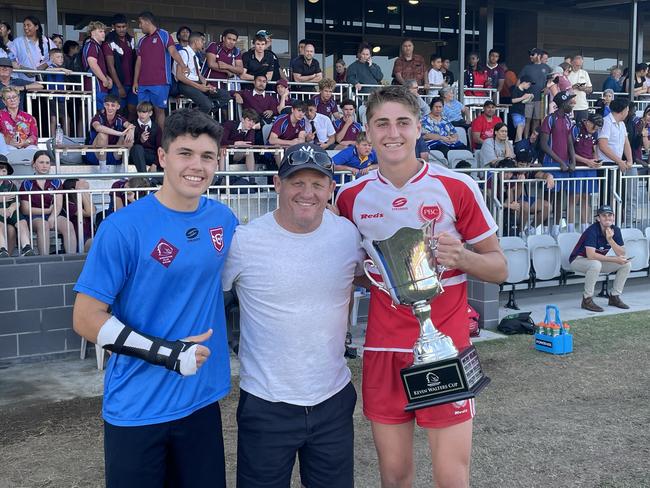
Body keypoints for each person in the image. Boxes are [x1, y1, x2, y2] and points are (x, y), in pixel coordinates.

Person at [335, 84, 507, 488]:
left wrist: (461, 258)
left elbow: (499, 267)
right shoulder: (350, 198)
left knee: (450, 476)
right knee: (394, 477)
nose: (392, 132)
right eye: (382, 124)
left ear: (418, 129)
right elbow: (355, 271)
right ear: (368, 131)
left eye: (402, 122)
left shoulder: (456, 186)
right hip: (383, 349)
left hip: (443, 347)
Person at [72, 109, 237, 487]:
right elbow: (85, 317)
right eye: (185, 153)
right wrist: (168, 353)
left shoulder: (224, 220)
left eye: (207, 156)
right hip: (138, 406)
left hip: (200, 401)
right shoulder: (123, 227)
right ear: (162, 157)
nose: (197, 166)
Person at [222, 143, 363, 488]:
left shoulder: (347, 234)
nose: (307, 193)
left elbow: (364, 277)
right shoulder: (244, 241)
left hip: (333, 400)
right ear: (277, 183)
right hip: (267, 403)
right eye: (297, 182)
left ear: (332, 189)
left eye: (318, 184)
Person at [569, 205, 631, 312]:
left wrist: (610, 240)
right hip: (578, 260)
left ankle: (614, 297)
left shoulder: (615, 230)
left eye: (610, 215)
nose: (607, 218)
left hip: (596, 261)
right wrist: (615, 259)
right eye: (604, 215)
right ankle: (587, 299)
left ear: (614, 217)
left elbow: (622, 252)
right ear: (598, 218)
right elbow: (591, 255)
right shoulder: (592, 230)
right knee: (595, 264)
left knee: (626, 263)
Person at [133, 11, 188, 128]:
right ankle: (144, 141)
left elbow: (173, 51)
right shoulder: (142, 41)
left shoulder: (164, 34)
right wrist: (135, 81)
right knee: (142, 112)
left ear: (147, 22)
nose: (139, 25)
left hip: (160, 82)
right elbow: (139, 62)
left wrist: (183, 65)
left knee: (159, 111)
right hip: (143, 83)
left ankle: (162, 141)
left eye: (141, 22)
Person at [19, 150, 77, 255]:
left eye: (47, 162)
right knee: (43, 225)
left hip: (52, 214)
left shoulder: (56, 181)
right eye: (41, 162)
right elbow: (25, 209)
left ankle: (71, 258)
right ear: (34, 164)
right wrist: (46, 211)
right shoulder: (27, 183)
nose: (44, 165)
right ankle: (44, 259)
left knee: (68, 225)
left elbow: (58, 203)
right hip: (34, 217)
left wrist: (52, 216)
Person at [539, 91, 577, 235]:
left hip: (564, 165)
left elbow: (570, 142)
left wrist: (572, 161)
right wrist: (560, 161)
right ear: (562, 103)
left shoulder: (568, 119)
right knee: (550, 199)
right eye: (569, 102)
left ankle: (555, 229)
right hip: (551, 164)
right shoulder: (549, 119)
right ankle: (544, 230)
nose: (572, 104)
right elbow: (544, 145)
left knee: (561, 197)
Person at [174, 32, 230, 115]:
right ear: (196, 41)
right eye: (202, 40)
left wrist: (208, 86)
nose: (203, 43)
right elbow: (180, 76)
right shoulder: (183, 53)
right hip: (186, 84)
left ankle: (196, 112)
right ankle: (191, 120)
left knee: (225, 95)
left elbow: (199, 75)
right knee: (206, 105)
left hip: (197, 84)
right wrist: (199, 87)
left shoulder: (195, 56)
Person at [571, 113, 603, 229]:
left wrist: (596, 159)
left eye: (597, 129)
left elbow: (594, 149)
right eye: (594, 127)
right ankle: (570, 228)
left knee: (586, 197)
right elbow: (570, 152)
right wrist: (586, 161)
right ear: (588, 122)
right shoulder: (576, 129)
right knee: (574, 197)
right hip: (578, 168)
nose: (595, 130)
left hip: (590, 168)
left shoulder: (594, 133)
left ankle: (585, 226)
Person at [105, 14, 137, 121]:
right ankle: (118, 135)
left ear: (127, 26)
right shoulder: (109, 42)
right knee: (118, 110)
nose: (121, 29)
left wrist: (136, 81)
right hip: (117, 83)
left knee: (133, 109)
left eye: (123, 26)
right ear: (113, 26)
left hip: (132, 83)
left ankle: (130, 134)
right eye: (118, 27)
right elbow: (110, 66)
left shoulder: (131, 40)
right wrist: (119, 86)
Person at [87, 94, 135, 167]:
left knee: (129, 136)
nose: (110, 108)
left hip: (114, 155)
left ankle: (124, 166)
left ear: (118, 107)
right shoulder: (98, 117)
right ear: (104, 105)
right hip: (96, 155)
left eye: (113, 105)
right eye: (107, 105)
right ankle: (103, 169)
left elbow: (131, 125)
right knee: (103, 134)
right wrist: (119, 133)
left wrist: (131, 130)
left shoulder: (119, 118)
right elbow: (98, 127)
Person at [0, 156, 33, 257]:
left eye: (4, 171)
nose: (1, 173)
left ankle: (26, 248)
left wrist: (10, 209)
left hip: (11, 210)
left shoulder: (10, 185)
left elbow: (17, 201)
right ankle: (2, 249)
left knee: (22, 222)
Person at [0, 86, 39, 165]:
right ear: (4, 101)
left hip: (25, 147)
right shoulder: (0, 115)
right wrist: (8, 142)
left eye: (14, 97)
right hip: (6, 148)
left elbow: (34, 136)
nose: (12, 100)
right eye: (8, 98)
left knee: (34, 150)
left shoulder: (29, 117)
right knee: (9, 150)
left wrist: (25, 142)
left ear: (19, 98)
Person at [9, 16, 56, 81]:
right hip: (23, 81)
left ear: (36, 27)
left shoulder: (47, 41)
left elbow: (56, 59)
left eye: (28, 25)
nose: (25, 28)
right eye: (24, 25)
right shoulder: (17, 42)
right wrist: (22, 68)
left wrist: (45, 66)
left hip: (45, 81)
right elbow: (10, 59)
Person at [518, 48, 551, 138]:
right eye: (530, 54)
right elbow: (519, 82)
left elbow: (552, 80)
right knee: (527, 120)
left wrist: (548, 88)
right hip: (527, 98)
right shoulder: (527, 67)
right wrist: (519, 94)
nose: (531, 56)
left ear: (539, 56)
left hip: (541, 99)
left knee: (537, 120)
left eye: (533, 54)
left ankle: (533, 140)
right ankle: (525, 140)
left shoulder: (546, 67)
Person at [82, 21, 112, 109]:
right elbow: (93, 64)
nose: (103, 34)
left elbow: (99, 66)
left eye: (104, 31)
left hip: (99, 87)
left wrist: (108, 78)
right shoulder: (92, 45)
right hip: (96, 87)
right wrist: (104, 80)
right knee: (98, 115)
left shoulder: (96, 46)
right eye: (100, 31)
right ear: (92, 32)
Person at [130, 101, 162, 172]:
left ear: (150, 113)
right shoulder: (132, 125)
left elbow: (160, 147)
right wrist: (140, 140)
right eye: (139, 112)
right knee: (138, 148)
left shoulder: (156, 128)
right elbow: (130, 146)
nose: (141, 115)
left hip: (151, 156)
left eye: (144, 112)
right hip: (136, 155)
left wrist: (155, 164)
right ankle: (144, 178)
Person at [567, 55, 593, 124]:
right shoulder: (567, 73)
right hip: (569, 106)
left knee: (582, 128)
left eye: (580, 65)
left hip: (583, 106)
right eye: (577, 65)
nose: (578, 67)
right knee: (569, 128)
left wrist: (583, 88)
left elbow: (590, 89)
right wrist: (573, 87)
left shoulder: (584, 73)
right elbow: (562, 89)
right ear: (572, 63)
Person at [510, 76, 535, 142]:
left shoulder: (525, 91)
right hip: (516, 112)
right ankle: (520, 143)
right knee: (520, 126)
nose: (529, 86)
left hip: (522, 113)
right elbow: (512, 100)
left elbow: (524, 102)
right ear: (524, 83)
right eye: (528, 84)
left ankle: (517, 144)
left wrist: (530, 97)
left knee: (521, 129)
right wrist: (523, 97)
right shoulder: (515, 89)